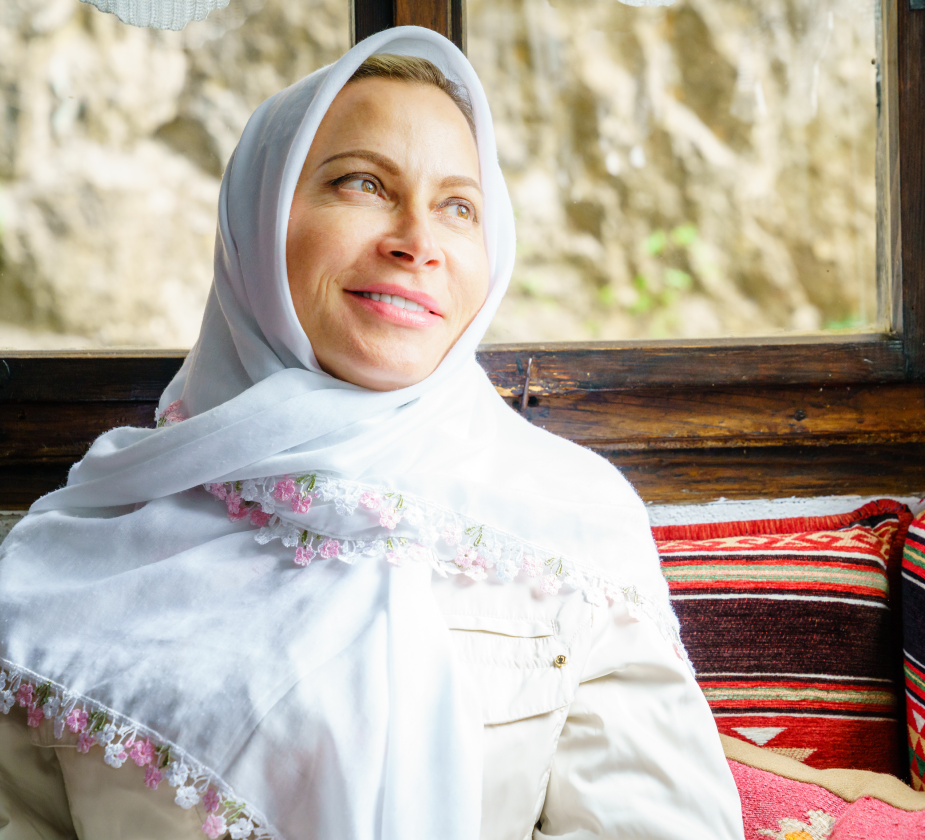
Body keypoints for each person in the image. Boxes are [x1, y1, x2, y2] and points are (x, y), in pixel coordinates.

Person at [0, 26, 742, 840]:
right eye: (363, 184)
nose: (418, 242)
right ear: (258, 219)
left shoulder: (570, 519)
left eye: (458, 205)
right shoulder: (78, 549)